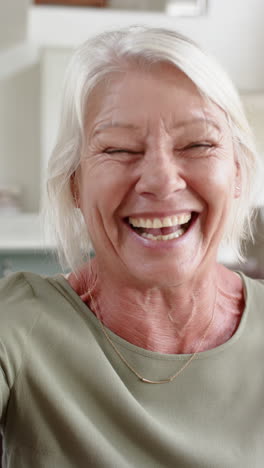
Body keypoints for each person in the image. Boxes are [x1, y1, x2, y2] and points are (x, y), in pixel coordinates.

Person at [0, 26, 263, 468]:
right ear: (75, 186)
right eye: (119, 149)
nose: (161, 181)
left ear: (237, 173)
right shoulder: (18, 324)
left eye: (198, 144)